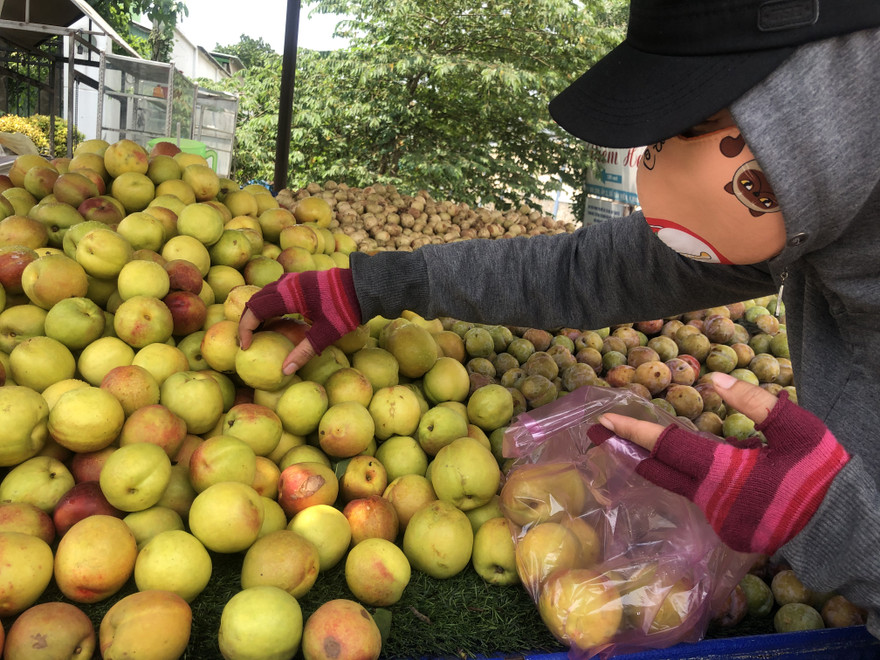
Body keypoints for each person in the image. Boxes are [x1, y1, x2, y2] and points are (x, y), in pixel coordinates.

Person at [240, 0, 880, 638]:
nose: (658, 162)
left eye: (698, 123)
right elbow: (588, 271)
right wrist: (372, 286)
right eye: (663, 130)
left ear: (834, 87)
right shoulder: (804, 223)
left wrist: (841, 524)